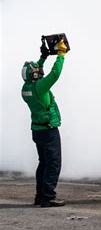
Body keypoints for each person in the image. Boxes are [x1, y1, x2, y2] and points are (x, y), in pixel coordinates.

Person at [21, 39, 68, 207]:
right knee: (53, 163)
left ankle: (40, 196)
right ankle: (48, 197)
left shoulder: (26, 88)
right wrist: (60, 55)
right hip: (48, 130)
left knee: (43, 163)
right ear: (34, 75)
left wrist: (44, 57)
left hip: (37, 130)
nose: (39, 70)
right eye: (36, 69)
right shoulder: (40, 87)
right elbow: (55, 74)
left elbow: (35, 73)